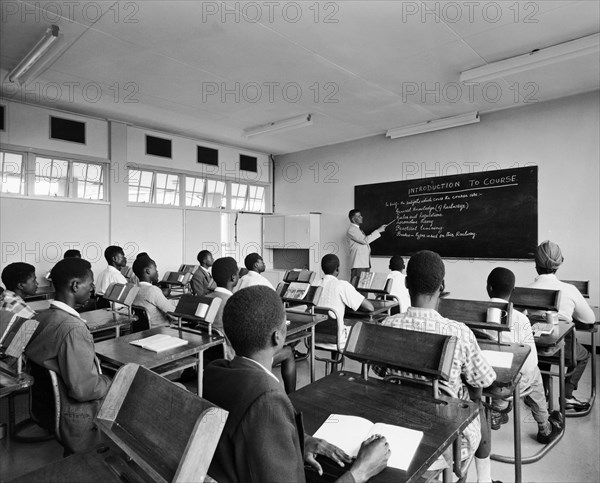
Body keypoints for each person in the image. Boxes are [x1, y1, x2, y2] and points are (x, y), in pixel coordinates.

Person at [204, 285, 390, 483]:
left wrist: (302, 441)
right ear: (278, 336)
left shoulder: (216, 371)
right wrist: (360, 472)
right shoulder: (267, 401)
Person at [375, 250, 497, 483]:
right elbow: (484, 380)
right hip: (448, 443)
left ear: (407, 282)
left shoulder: (386, 325)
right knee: (476, 405)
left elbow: (379, 371)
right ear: (442, 286)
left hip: (393, 433)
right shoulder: (458, 333)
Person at [24, 258, 111, 455]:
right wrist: (110, 380)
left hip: (47, 409)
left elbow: (19, 353)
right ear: (75, 285)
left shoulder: (36, 316)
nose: (93, 288)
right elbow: (84, 390)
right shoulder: (74, 329)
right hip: (77, 417)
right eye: (90, 283)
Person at [486, 267, 562, 443]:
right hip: (511, 379)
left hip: (486, 377)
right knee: (533, 372)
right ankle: (545, 427)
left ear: (488, 288)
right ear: (513, 291)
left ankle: (497, 411)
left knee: (500, 368)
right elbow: (530, 363)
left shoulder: (473, 313)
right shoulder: (520, 318)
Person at [526, 240, 596, 411]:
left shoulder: (525, 289)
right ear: (559, 264)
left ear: (536, 264)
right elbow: (589, 319)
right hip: (565, 350)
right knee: (583, 355)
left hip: (536, 349)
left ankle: (542, 393)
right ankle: (567, 396)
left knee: (543, 344)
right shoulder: (569, 290)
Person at [316, 254, 374, 351]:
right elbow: (370, 307)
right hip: (337, 340)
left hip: (314, 338)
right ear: (337, 269)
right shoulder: (342, 285)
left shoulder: (314, 283)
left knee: (342, 322)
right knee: (364, 328)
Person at [131, 256, 176, 328]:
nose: (157, 271)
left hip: (144, 331)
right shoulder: (153, 290)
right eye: (155, 268)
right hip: (160, 330)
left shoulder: (134, 289)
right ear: (148, 271)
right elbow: (175, 316)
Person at [0, 262, 38, 344]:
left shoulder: (4, 297)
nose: (37, 283)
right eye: (34, 280)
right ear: (21, 285)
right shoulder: (19, 308)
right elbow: (38, 329)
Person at [346, 209, 387, 281]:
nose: (361, 217)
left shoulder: (358, 230)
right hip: (358, 264)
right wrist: (378, 231)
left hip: (364, 263)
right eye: (359, 216)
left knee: (364, 287)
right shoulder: (352, 230)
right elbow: (365, 241)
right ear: (353, 219)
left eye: (361, 215)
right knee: (357, 288)